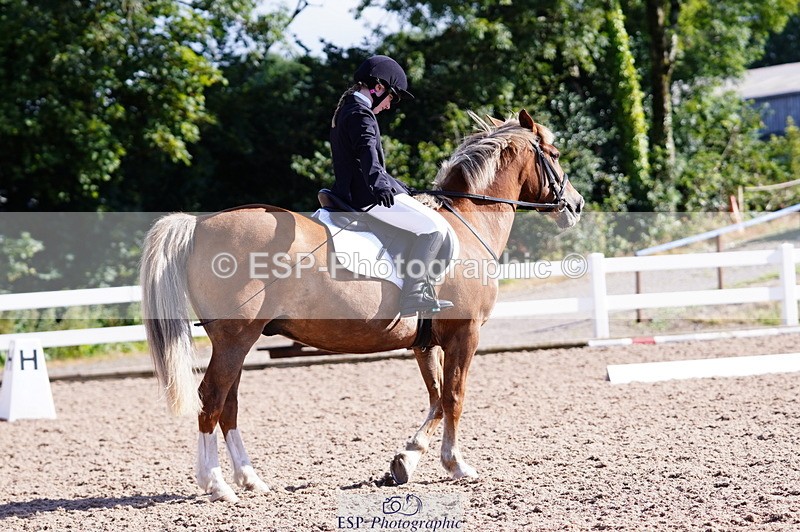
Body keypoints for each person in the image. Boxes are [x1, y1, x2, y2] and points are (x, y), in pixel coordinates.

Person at [329, 55, 453, 318]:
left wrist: (401, 187)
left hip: (358, 190)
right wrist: (379, 185)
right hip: (367, 195)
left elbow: (363, 161)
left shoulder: (347, 109)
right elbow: (367, 155)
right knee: (434, 226)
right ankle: (414, 295)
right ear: (378, 87)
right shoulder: (361, 114)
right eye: (391, 98)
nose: (388, 106)